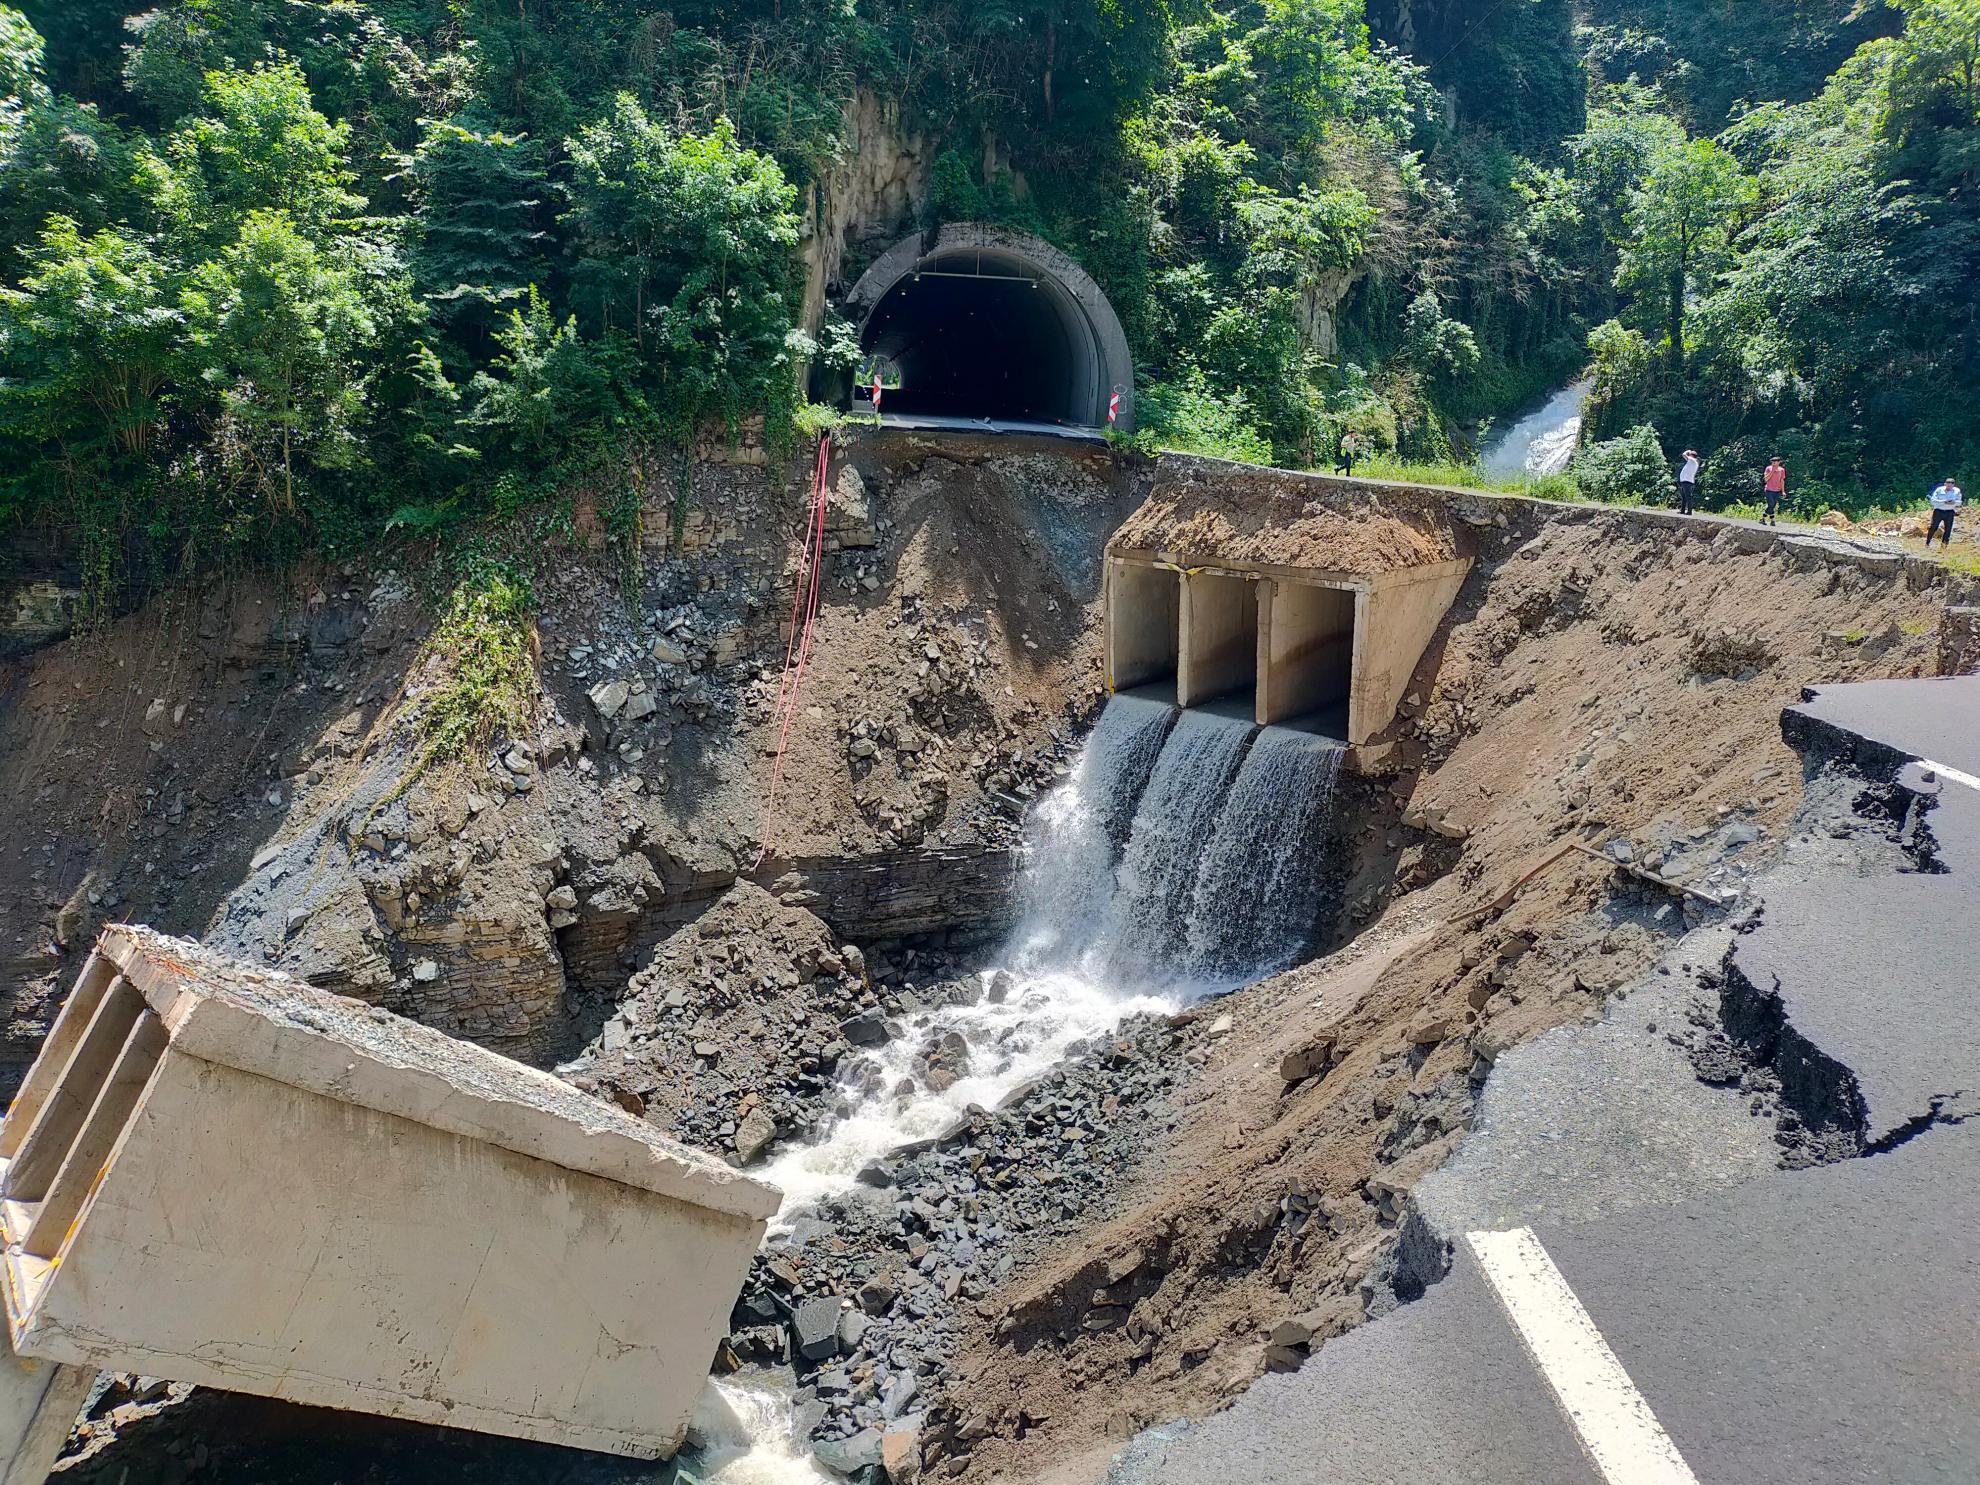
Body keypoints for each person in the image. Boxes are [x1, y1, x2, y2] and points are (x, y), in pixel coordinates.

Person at [1926, 476, 1964, 549]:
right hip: (1938, 511)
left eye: (1952, 483)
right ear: (1945, 484)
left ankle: (1944, 546)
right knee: (1933, 527)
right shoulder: (1939, 490)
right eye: (1948, 483)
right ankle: (1927, 543)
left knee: (1948, 529)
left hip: (1950, 512)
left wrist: (1953, 502)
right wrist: (1944, 502)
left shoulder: (1957, 491)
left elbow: (1959, 502)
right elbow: (1933, 501)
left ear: (1954, 484)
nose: (1950, 484)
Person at [1761, 456, 1787, 526]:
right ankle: (1772, 520)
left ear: (1779, 462)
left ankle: (1763, 518)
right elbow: (1766, 479)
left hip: (1777, 490)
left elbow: (1782, 480)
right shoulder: (1768, 468)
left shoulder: (1782, 470)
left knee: (1772, 506)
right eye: (1772, 462)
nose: (1773, 463)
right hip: (1769, 490)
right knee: (1771, 504)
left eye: (1775, 462)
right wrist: (1772, 471)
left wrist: (1783, 491)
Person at [1677, 448, 1700, 515]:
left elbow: (1684, 454)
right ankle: (1683, 510)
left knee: (1688, 497)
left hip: (1687, 481)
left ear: (1692, 456)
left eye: (1689, 455)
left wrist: (1688, 451)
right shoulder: (1692, 462)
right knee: (1684, 497)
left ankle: (1689, 511)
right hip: (1685, 481)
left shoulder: (1692, 460)